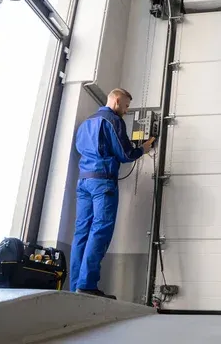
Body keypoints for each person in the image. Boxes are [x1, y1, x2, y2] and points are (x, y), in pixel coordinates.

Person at [70, 88, 155, 298]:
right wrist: (143, 148)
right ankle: (87, 285)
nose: (126, 111)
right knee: (100, 230)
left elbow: (81, 149)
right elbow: (125, 154)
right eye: (126, 106)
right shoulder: (112, 121)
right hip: (102, 184)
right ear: (116, 100)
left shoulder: (85, 123)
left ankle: (75, 288)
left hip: (83, 181)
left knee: (81, 232)